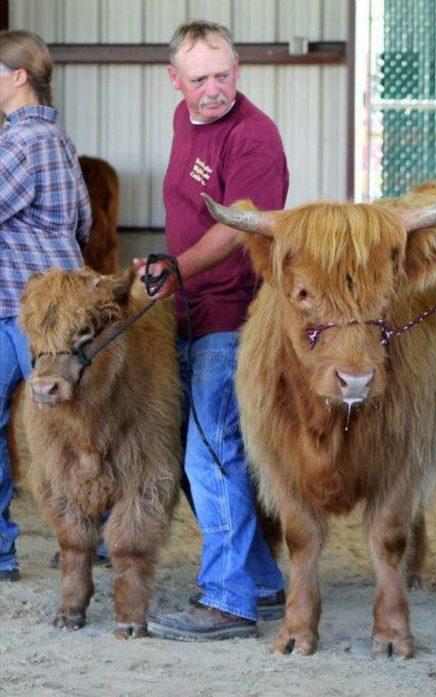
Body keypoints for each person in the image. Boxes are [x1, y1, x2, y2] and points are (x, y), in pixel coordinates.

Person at [138, 20, 288, 641]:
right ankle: (262, 581)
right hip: (185, 310)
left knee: (212, 452)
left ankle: (228, 601)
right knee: (193, 453)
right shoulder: (184, 121)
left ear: (238, 69)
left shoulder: (254, 138)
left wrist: (176, 269)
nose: (213, 90)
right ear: (175, 81)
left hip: (233, 315)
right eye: (198, 79)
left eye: (223, 75)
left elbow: (241, 228)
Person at [0, 30, 92, 583]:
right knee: (73, 423)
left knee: (63, 425)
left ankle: (7, 551)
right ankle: (86, 541)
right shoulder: (58, 141)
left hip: (24, 311)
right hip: (44, 307)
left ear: (17, 77)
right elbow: (83, 220)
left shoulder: (21, 144)